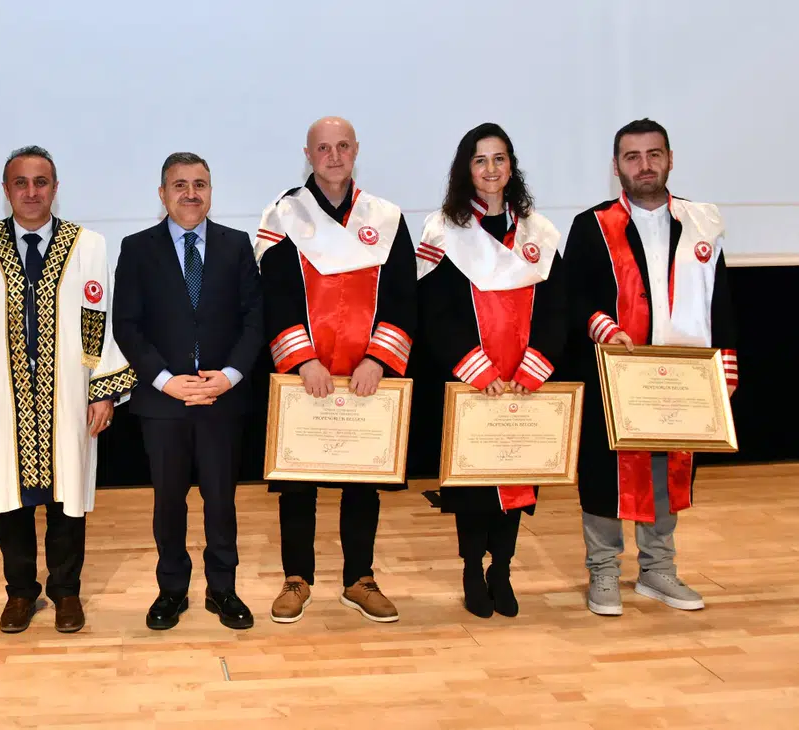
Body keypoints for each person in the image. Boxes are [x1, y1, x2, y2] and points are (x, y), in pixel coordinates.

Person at [0, 145, 135, 634]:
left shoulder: (86, 245)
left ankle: (66, 591)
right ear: (6, 189)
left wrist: (102, 388)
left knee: (67, 497)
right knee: (10, 496)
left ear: (55, 187)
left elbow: (96, 319)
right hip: (2, 395)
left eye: (41, 182)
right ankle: (19, 592)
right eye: (20, 183)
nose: (31, 192)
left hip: (67, 389)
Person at [561, 118, 738, 616]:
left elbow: (719, 298)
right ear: (616, 166)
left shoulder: (702, 222)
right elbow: (575, 299)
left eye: (653, 154)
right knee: (603, 472)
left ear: (670, 158)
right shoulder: (592, 225)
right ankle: (603, 571)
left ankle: (659, 569)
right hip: (617, 372)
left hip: (683, 375)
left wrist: (726, 361)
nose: (644, 165)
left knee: (668, 468)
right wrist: (604, 328)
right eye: (632, 157)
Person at [255, 116, 418, 624]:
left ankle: (359, 578)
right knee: (299, 479)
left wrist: (378, 359)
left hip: (368, 374)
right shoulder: (284, 215)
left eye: (342, 146)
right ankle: (296, 577)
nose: (333, 155)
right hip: (305, 374)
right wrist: (301, 360)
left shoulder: (385, 217)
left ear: (356, 151)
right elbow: (272, 296)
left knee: (362, 481)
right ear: (308, 154)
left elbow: (404, 296)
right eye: (323, 148)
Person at [415, 123, 566, 618]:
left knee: (518, 474)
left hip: (524, 380)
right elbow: (433, 310)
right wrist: (476, 370)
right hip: (471, 379)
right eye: (480, 160)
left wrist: (533, 367)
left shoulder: (537, 233)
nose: (491, 169)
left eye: (500, 159)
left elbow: (557, 309)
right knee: (475, 484)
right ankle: (470, 569)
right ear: (466, 168)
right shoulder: (443, 231)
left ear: (511, 166)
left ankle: (501, 569)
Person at [112, 152, 264, 631]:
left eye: (200, 184)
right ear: (162, 194)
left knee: (222, 501)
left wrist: (230, 375)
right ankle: (171, 591)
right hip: (163, 402)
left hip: (222, 397)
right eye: (180, 184)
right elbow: (127, 325)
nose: (190, 193)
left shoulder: (237, 245)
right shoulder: (136, 248)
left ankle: (223, 590)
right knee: (168, 502)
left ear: (211, 192)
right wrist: (165, 381)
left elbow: (254, 321)